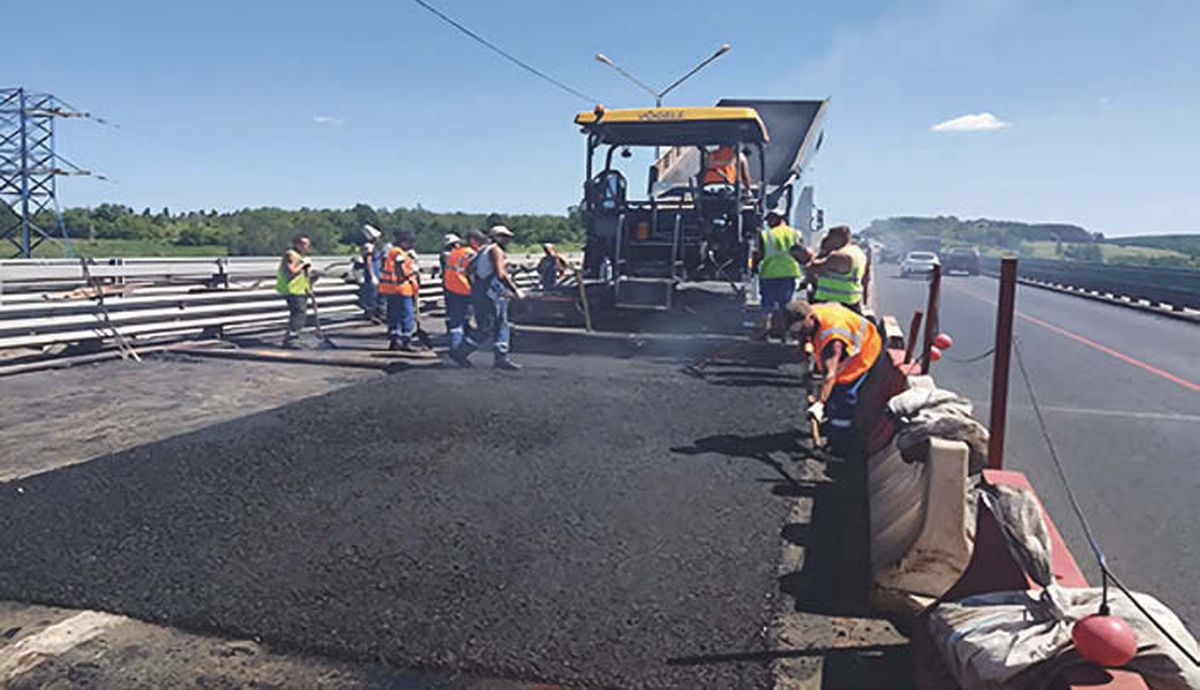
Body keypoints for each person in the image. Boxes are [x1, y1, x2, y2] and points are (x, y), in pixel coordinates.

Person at [785, 300, 882, 435]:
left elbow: (830, 375)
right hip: (843, 342)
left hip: (864, 350)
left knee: (842, 390)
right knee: (829, 388)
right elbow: (806, 336)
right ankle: (830, 422)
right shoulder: (810, 313)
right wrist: (803, 346)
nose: (801, 331)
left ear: (810, 318)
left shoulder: (833, 337)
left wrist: (820, 404)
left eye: (802, 328)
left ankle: (840, 434)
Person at [465, 224, 524, 370]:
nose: (507, 240)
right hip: (492, 292)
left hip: (481, 291)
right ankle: (461, 350)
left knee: (500, 325)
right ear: (497, 237)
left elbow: (468, 269)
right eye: (505, 237)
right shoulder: (495, 250)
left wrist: (476, 284)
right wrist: (515, 290)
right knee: (491, 326)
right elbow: (501, 274)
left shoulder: (481, 250)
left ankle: (501, 357)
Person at [752, 208, 808, 334]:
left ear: (778, 218)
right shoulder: (796, 234)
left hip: (769, 274)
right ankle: (785, 333)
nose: (767, 223)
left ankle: (763, 332)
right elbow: (801, 254)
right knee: (787, 306)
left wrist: (753, 268)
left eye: (769, 220)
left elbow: (759, 254)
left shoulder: (766, 235)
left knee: (766, 305)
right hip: (789, 274)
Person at [806, 225, 870, 313]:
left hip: (833, 305)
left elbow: (811, 268)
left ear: (838, 238)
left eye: (829, 236)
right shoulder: (858, 253)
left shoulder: (839, 256)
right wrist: (865, 299)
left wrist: (822, 250)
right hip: (853, 303)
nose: (827, 239)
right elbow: (866, 279)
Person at [379, 230, 421, 351]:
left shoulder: (392, 252)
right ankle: (406, 340)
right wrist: (411, 272)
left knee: (394, 315)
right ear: (404, 242)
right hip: (402, 288)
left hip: (391, 289)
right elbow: (401, 268)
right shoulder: (399, 253)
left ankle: (395, 340)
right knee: (406, 314)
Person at [443, 231, 478, 365]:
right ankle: (458, 350)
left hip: (451, 288)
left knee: (456, 321)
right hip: (465, 289)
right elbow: (473, 273)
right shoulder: (471, 254)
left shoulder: (454, 253)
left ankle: (455, 346)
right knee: (466, 319)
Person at [276, 234, 312, 348]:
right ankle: (292, 337)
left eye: (307, 244)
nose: (306, 246)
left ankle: (292, 336)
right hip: (291, 289)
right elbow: (292, 271)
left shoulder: (300, 256)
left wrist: (309, 288)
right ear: (296, 244)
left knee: (299, 313)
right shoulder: (291, 255)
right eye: (303, 244)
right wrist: (303, 264)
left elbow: (304, 276)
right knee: (298, 313)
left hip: (300, 289)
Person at [359, 224, 383, 322]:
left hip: (376, 271)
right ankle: (370, 313)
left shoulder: (373, 247)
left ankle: (375, 312)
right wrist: (372, 275)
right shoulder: (368, 247)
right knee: (371, 294)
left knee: (376, 294)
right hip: (371, 273)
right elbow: (369, 261)